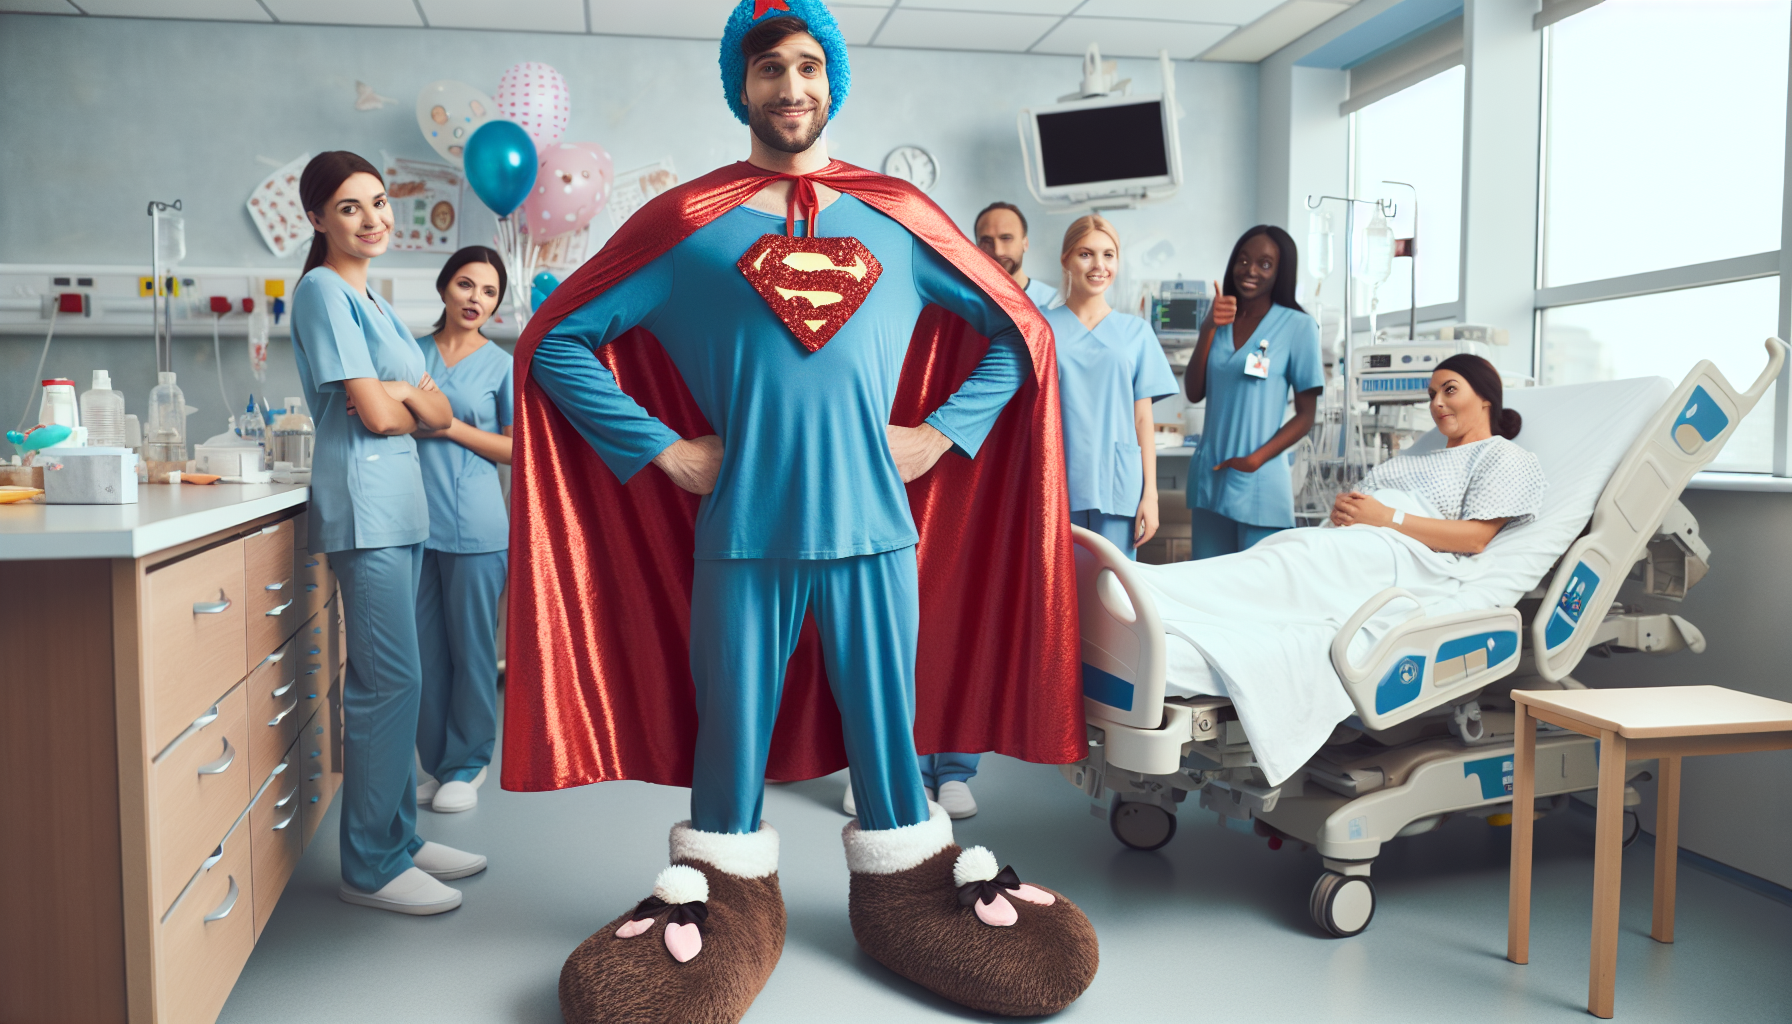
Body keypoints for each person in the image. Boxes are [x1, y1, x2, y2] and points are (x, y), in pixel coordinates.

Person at [507, 3, 1097, 1021]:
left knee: (888, 735)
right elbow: (555, 342)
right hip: (742, 538)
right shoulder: (686, 224)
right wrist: (661, 449)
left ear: (834, 84)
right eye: (769, 67)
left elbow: (1019, 333)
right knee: (728, 744)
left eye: (809, 65)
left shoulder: (898, 217)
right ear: (740, 87)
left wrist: (945, 431)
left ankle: (908, 887)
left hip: (877, 536)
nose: (791, 85)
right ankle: (726, 895)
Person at [288, 151, 485, 916]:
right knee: (387, 682)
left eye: (377, 203)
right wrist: (410, 397)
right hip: (364, 507)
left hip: (401, 509)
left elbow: (440, 414)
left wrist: (409, 397)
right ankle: (369, 864)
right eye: (348, 207)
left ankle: (398, 838)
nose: (372, 218)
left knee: (405, 683)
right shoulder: (321, 292)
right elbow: (380, 415)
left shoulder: (373, 302)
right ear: (317, 219)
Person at [411, 246, 514, 815]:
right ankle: (436, 762)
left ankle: (469, 762)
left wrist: (446, 425)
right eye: (466, 286)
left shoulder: (500, 365)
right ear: (445, 288)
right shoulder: (410, 354)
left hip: (476, 527)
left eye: (489, 292)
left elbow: (516, 448)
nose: (476, 299)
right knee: (424, 653)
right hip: (412, 523)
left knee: (472, 651)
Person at [1184, 224, 1323, 558]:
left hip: (1259, 478)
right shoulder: (1220, 319)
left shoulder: (1298, 327)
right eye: (1243, 261)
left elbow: (1306, 416)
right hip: (1212, 476)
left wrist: (1255, 460)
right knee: (1208, 589)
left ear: (1280, 271)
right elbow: (1193, 391)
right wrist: (1207, 329)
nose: (1250, 271)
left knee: (1258, 595)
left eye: (1264, 264)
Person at [1046, 214, 1178, 559]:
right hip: (1057, 479)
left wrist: (1151, 494)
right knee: (1061, 598)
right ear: (1066, 260)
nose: (1098, 265)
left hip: (1117, 484)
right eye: (1086, 254)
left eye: (1108, 255)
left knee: (1113, 600)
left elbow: (1142, 421)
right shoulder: (1042, 328)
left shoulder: (1136, 333)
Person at [1330, 354, 1544, 551]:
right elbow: (1356, 513)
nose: (1436, 403)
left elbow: (1475, 539)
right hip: (1349, 542)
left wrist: (1387, 517)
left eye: (1449, 389)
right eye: (1432, 395)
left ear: (1485, 397)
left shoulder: (1501, 456)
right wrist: (1344, 511)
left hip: (1395, 555)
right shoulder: (1410, 461)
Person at [974, 201, 1057, 309]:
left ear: (1025, 244)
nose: (998, 251)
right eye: (986, 241)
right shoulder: (967, 306)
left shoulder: (1054, 303)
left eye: (1006, 238)